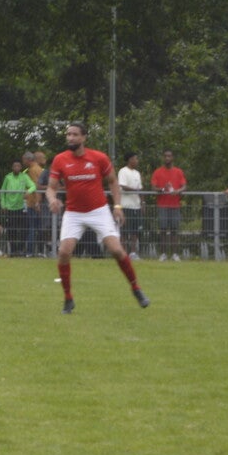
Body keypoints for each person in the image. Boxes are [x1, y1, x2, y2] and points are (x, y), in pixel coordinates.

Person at [47, 121, 148, 313]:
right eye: (68, 134)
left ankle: (136, 288)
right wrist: (52, 199)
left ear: (84, 137)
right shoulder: (60, 159)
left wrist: (117, 206)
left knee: (117, 250)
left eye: (75, 134)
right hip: (73, 213)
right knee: (64, 252)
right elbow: (51, 188)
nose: (70, 138)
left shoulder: (98, 157)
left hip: (98, 211)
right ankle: (68, 298)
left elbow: (113, 182)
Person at [151, 150, 186, 261]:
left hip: (175, 205)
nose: (167, 158)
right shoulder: (158, 172)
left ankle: (175, 254)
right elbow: (153, 187)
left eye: (169, 156)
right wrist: (162, 189)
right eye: (165, 156)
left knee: (174, 230)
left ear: (172, 157)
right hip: (162, 205)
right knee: (163, 229)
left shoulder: (178, 172)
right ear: (163, 158)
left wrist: (178, 191)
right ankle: (163, 254)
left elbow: (184, 186)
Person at [1, 155, 37, 257]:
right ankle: (13, 250)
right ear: (12, 167)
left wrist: (28, 192)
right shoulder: (8, 177)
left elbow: (33, 186)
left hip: (21, 207)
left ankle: (21, 249)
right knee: (11, 230)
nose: (16, 168)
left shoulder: (24, 177)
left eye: (18, 166)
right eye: (15, 166)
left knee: (24, 229)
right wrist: (3, 204)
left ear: (21, 167)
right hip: (10, 207)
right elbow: (2, 192)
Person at [116, 153, 145, 255]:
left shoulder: (137, 173)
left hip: (136, 206)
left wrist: (142, 203)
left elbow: (141, 189)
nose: (137, 161)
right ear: (130, 160)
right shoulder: (123, 171)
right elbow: (122, 186)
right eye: (135, 159)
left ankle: (133, 252)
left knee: (135, 231)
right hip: (126, 206)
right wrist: (135, 190)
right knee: (124, 231)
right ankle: (123, 252)